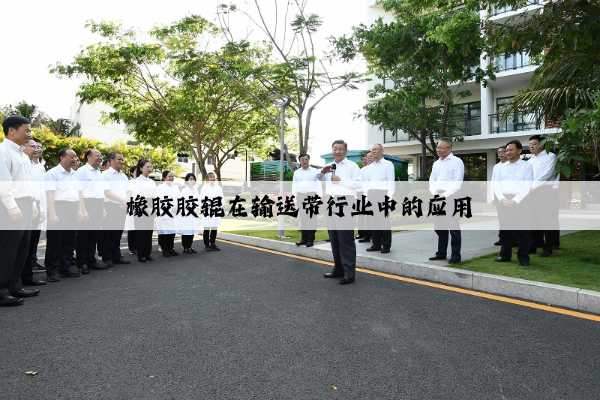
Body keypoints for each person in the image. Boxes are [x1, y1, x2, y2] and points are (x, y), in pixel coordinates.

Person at [0, 116, 40, 306]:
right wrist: (11, 205)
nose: (29, 134)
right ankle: (1, 290)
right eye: (26, 130)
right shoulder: (3, 151)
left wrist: (32, 203)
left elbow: (27, 183)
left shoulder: (23, 155)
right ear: (11, 131)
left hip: (25, 203)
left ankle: (14, 286)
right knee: (8, 249)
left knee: (22, 248)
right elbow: (4, 182)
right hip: (12, 204)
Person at [317, 140, 362, 285]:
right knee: (334, 237)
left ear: (346, 151)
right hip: (330, 201)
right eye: (335, 149)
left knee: (345, 238)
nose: (337, 151)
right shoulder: (329, 166)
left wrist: (340, 180)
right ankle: (338, 269)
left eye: (340, 149)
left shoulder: (352, 166)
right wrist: (322, 172)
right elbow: (317, 178)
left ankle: (349, 273)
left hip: (345, 202)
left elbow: (359, 184)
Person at [43, 148, 82, 282]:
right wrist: (53, 213)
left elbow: (78, 193)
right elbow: (50, 194)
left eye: (75, 156)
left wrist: (79, 210)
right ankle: (52, 270)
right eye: (71, 156)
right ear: (62, 158)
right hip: (59, 207)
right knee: (55, 240)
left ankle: (64, 267)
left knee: (70, 240)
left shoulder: (75, 174)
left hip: (72, 206)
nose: (75, 159)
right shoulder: (53, 173)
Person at [493, 140, 533, 266]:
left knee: (522, 231)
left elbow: (527, 186)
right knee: (505, 230)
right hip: (503, 200)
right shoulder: (499, 167)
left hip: (521, 201)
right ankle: (505, 255)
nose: (508, 152)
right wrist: (501, 198)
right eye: (507, 150)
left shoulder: (526, 166)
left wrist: (516, 200)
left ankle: (523, 257)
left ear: (519, 151)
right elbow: (496, 185)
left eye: (511, 150)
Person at [428, 137, 465, 264]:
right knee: (439, 227)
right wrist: (433, 191)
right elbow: (432, 180)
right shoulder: (436, 163)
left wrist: (446, 194)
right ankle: (441, 253)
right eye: (437, 147)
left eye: (441, 147)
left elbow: (457, 182)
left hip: (452, 197)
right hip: (438, 197)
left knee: (453, 227)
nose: (438, 150)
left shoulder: (457, 161)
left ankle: (455, 255)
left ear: (449, 148)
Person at [75, 149, 108, 274]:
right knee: (83, 234)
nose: (100, 158)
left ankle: (91, 260)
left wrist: (103, 208)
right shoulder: (82, 171)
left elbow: (100, 191)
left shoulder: (98, 172)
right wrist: (82, 209)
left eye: (101, 156)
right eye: (97, 156)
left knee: (94, 234)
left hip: (98, 204)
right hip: (87, 203)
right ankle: (81, 262)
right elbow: (80, 191)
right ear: (89, 157)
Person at [528, 135, 559, 257]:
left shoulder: (550, 156)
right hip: (530, 193)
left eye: (534, 144)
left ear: (542, 145)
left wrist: (533, 186)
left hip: (545, 191)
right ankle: (533, 245)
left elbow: (548, 174)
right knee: (532, 221)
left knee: (547, 221)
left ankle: (548, 248)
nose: (531, 146)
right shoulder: (529, 161)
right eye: (530, 144)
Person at [22, 138, 46, 286]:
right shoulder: (23, 163)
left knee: (32, 241)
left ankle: (28, 273)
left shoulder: (40, 167)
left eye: (38, 147)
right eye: (33, 146)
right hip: (23, 202)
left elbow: (40, 190)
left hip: (35, 203)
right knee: (23, 243)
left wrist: (41, 208)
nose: (37, 149)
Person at [363, 143, 395, 254]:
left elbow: (391, 181)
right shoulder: (369, 167)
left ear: (382, 151)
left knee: (384, 220)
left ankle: (386, 245)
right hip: (371, 194)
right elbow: (366, 182)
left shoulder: (388, 164)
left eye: (376, 149)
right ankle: (376, 244)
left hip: (383, 194)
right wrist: (366, 196)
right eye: (372, 149)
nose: (373, 151)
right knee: (373, 220)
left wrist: (390, 197)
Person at [101, 152, 131, 268]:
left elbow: (129, 190)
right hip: (110, 206)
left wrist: (126, 201)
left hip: (122, 207)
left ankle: (116, 256)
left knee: (118, 233)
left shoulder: (123, 176)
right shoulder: (105, 174)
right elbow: (106, 191)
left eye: (122, 159)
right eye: (119, 159)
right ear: (111, 160)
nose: (121, 161)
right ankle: (106, 257)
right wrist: (122, 200)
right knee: (107, 233)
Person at [292, 153, 321, 247]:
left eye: (306, 159)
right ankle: (303, 239)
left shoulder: (315, 171)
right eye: (302, 160)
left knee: (312, 219)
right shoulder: (297, 173)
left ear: (309, 160)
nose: (304, 161)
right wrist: (294, 200)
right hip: (301, 197)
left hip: (312, 196)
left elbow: (318, 185)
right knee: (303, 219)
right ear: (299, 161)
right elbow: (294, 187)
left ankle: (310, 239)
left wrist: (319, 198)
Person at [131, 160, 158, 262]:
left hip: (151, 204)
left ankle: (148, 253)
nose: (149, 169)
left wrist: (153, 207)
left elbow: (155, 195)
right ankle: (141, 254)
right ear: (141, 168)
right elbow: (137, 196)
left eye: (151, 167)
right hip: (140, 206)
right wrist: (146, 208)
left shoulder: (152, 181)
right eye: (147, 166)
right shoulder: (137, 181)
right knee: (141, 231)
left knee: (149, 230)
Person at [156, 170, 182, 257]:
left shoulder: (175, 188)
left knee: (172, 231)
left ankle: (171, 248)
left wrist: (178, 205)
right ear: (164, 178)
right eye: (169, 176)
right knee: (164, 231)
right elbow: (163, 199)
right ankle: (165, 249)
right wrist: (173, 207)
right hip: (165, 212)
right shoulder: (160, 188)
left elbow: (180, 198)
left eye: (172, 176)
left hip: (174, 213)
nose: (171, 178)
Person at [200, 172, 224, 251]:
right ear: (207, 179)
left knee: (214, 227)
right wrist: (210, 207)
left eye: (214, 177)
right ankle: (207, 244)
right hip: (208, 210)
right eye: (211, 177)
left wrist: (219, 206)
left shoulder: (218, 188)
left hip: (216, 210)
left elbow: (221, 198)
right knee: (207, 228)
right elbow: (202, 199)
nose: (213, 178)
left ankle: (213, 243)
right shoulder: (205, 188)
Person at [490, 146, 508, 246]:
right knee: (501, 218)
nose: (500, 154)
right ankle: (502, 238)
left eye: (503, 151)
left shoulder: (511, 165)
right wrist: (492, 197)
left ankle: (514, 239)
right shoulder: (496, 166)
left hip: (508, 194)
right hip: (498, 195)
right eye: (499, 152)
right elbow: (493, 182)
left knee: (510, 219)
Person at [178, 173, 200, 254]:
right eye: (190, 178)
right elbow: (184, 202)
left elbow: (199, 200)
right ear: (187, 180)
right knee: (186, 230)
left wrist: (198, 208)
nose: (192, 180)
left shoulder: (196, 190)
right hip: (187, 213)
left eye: (193, 179)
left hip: (194, 213)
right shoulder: (184, 190)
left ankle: (190, 246)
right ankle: (185, 247)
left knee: (192, 230)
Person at [356, 151, 372, 243]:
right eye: (364, 159)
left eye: (367, 158)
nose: (365, 161)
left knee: (370, 215)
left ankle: (369, 234)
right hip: (360, 194)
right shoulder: (361, 171)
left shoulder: (372, 169)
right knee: (360, 215)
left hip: (369, 194)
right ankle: (362, 233)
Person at [125, 165, 137, 255]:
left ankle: (138, 245)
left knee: (139, 227)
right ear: (132, 173)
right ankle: (132, 247)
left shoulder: (141, 182)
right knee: (131, 226)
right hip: (131, 205)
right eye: (136, 172)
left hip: (140, 205)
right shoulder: (130, 182)